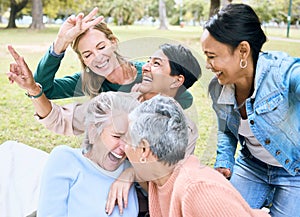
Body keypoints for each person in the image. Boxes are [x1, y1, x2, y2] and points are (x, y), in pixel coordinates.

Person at [200, 3, 300, 216]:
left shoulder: (282, 73)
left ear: (243, 50)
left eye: (212, 56)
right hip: (252, 164)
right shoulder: (218, 87)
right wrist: (224, 163)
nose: (208, 65)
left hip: (294, 172)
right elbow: (226, 131)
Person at [124, 94, 270, 217]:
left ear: (144, 150)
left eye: (126, 140)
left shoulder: (196, 189)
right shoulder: (160, 178)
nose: (123, 147)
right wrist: (128, 175)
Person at [33, 7, 194, 109]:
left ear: (114, 43)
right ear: (84, 61)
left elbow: (186, 98)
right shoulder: (90, 81)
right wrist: (61, 42)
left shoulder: (145, 74)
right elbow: (43, 88)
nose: (97, 58)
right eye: (87, 55)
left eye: (101, 47)